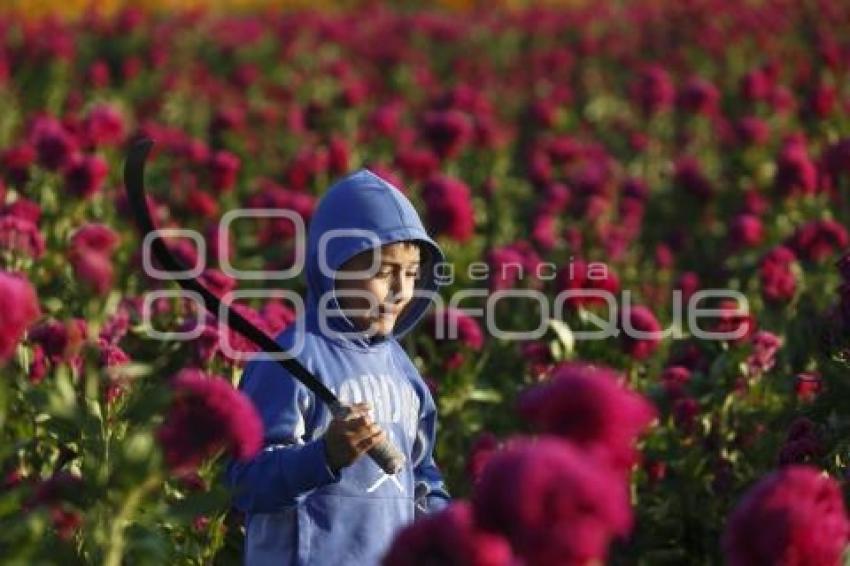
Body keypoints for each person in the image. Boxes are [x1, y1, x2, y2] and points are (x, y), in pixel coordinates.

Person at [226, 168, 452, 566]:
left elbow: (421, 474)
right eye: (384, 273)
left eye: (413, 274)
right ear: (334, 266)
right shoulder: (291, 359)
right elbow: (245, 482)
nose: (402, 291)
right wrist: (323, 456)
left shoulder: (401, 368)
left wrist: (448, 532)